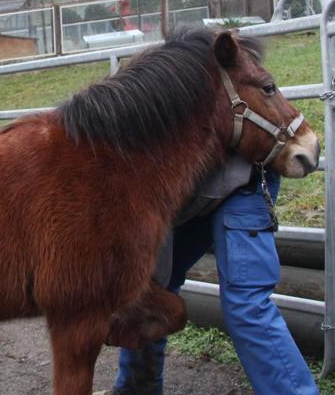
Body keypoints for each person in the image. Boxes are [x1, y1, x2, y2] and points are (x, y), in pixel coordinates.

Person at [103, 155, 318, 395]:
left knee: (247, 302)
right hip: (184, 185)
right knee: (150, 291)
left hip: (241, 181)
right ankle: (136, 390)